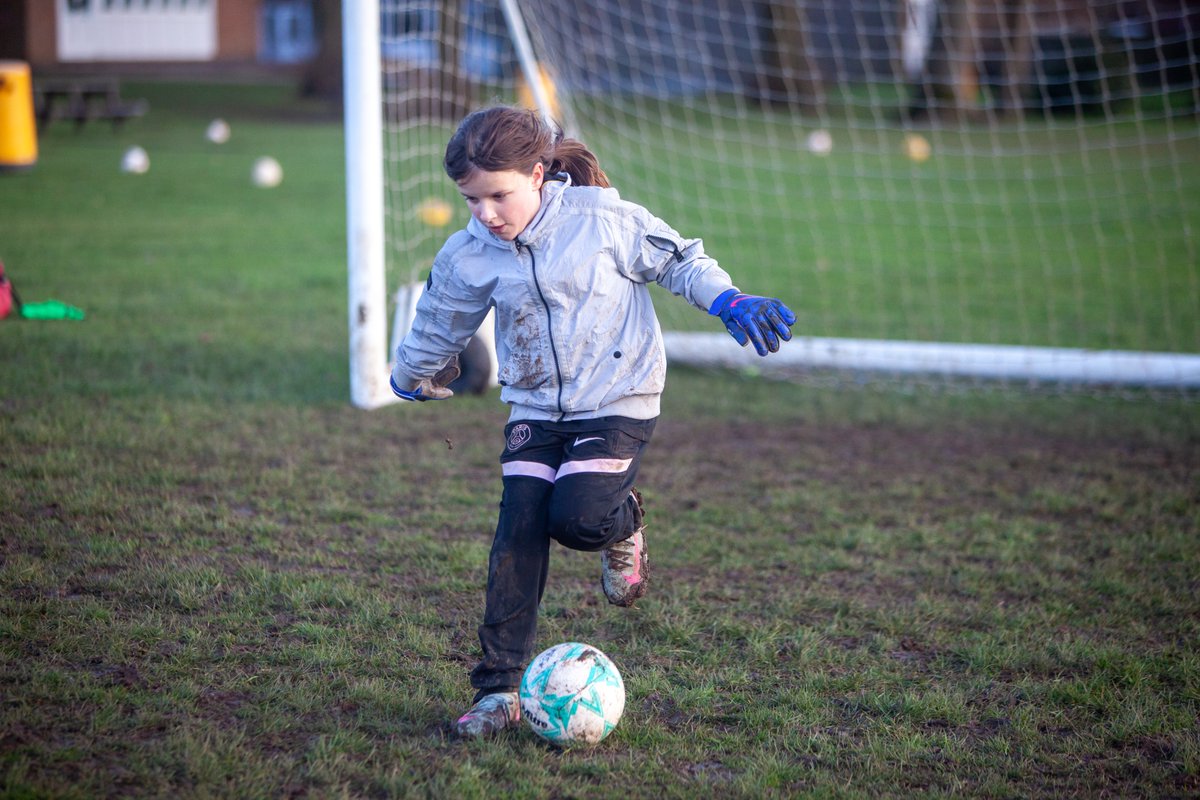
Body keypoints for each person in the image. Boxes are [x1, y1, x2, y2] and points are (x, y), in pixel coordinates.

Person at [390, 106, 795, 738]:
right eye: (472, 200)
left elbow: (678, 260)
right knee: (517, 531)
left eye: (499, 195)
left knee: (577, 519)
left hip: (617, 396)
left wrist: (730, 299)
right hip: (533, 405)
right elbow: (441, 317)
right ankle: (497, 691)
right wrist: (411, 372)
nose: (486, 214)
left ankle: (623, 518)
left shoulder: (603, 220)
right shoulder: (469, 251)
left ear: (537, 172)